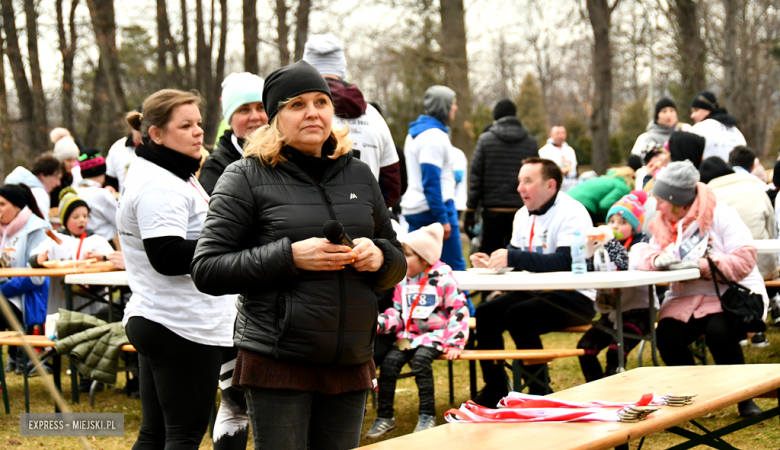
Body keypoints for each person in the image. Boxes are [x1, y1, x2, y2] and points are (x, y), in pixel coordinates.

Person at [190, 60, 406, 450]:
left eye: (321, 102)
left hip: (351, 359)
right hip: (279, 360)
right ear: (275, 118)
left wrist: (381, 259)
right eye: (297, 104)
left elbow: (396, 261)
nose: (312, 112)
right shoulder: (245, 176)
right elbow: (207, 269)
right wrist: (289, 257)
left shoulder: (359, 175)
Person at [117, 89, 237, 449]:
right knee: (184, 434)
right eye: (185, 125)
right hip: (182, 326)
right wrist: (235, 245)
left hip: (164, 317)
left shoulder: (170, 170)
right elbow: (166, 255)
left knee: (155, 434)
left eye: (198, 123)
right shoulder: (160, 183)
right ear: (156, 134)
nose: (199, 132)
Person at [638, 160, 767, 418]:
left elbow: (744, 260)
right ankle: (695, 399)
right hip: (684, 297)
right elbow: (644, 253)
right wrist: (655, 259)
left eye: (662, 200)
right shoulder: (662, 222)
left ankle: (744, 398)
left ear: (679, 200)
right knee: (667, 335)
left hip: (729, 295)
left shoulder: (722, 214)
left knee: (719, 330)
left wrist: (703, 265)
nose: (657, 205)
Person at [469, 157, 595, 406]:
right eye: (519, 181)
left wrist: (513, 256)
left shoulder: (573, 212)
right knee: (486, 313)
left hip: (576, 295)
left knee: (519, 315)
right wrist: (495, 261)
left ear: (550, 185)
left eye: (527, 181)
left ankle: (539, 390)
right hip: (536, 291)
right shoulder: (521, 215)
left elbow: (565, 261)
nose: (519, 188)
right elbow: (518, 258)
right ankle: (495, 387)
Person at [367, 223, 469, 438]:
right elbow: (397, 311)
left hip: (435, 336)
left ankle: (427, 415)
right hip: (408, 337)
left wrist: (455, 342)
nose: (403, 260)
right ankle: (385, 416)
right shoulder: (403, 280)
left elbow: (458, 311)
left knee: (421, 363)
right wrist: (380, 323)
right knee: (390, 363)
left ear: (425, 258)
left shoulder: (443, 280)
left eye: (409, 255)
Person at [303, 33, 401, 208]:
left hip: (313, 224)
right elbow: (392, 184)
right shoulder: (375, 116)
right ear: (341, 67)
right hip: (369, 222)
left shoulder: (299, 115)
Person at [577, 191, 655, 382]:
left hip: (638, 313)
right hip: (610, 314)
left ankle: (613, 389)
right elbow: (588, 273)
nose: (615, 226)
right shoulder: (603, 248)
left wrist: (610, 241)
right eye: (611, 221)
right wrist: (588, 252)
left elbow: (625, 265)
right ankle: (595, 387)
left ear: (635, 227)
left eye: (622, 223)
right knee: (585, 347)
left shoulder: (640, 246)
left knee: (615, 351)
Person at [401, 85, 466, 271]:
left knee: (417, 271)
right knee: (455, 271)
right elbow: (431, 182)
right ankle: (461, 302)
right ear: (443, 106)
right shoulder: (434, 137)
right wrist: (443, 219)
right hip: (435, 210)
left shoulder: (416, 133)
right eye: (453, 103)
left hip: (417, 209)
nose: (456, 108)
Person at [465, 98, 539, 255]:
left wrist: (470, 210)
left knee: (491, 259)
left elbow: (476, 178)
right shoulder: (530, 143)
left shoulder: (485, 140)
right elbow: (537, 176)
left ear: (495, 118)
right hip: (522, 210)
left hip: (493, 211)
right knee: (520, 258)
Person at [705, 148, 777, 281]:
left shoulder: (708, 195)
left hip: (722, 271)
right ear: (753, 165)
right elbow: (771, 228)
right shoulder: (758, 187)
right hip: (762, 266)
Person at [0, 184, 50, 374]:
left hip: (27, 298)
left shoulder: (36, 228)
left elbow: (35, 276)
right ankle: (15, 357)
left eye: (2, 204)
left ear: (17, 206)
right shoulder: (2, 229)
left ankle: (21, 358)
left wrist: (2, 291)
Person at [199, 72, 267, 196]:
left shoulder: (288, 155)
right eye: (244, 109)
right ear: (230, 120)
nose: (255, 116)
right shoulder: (216, 168)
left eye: (261, 107)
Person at [73, 149, 118, 242]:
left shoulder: (74, 192)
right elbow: (119, 219)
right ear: (102, 172)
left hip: (81, 244)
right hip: (104, 244)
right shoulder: (102, 194)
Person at [689, 90, 746, 163]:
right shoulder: (736, 131)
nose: (692, 116)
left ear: (708, 109)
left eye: (696, 110)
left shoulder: (698, 129)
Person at [5, 153, 63, 221]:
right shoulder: (40, 194)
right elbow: (42, 225)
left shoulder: (15, 186)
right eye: (56, 178)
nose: (58, 183)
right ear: (43, 175)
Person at [567, 167, 635, 224]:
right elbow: (605, 205)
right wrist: (610, 220)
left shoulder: (606, 178)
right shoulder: (623, 186)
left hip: (569, 199)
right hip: (584, 206)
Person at [104, 106, 142, 194]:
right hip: (124, 204)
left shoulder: (161, 147)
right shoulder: (118, 148)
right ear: (131, 126)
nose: (140, 131)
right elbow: (110, 180)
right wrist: (109, 188)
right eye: (137, 126)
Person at [538, 125, 577, 193]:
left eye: (562, 133)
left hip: (571, 186)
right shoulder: (544, 151)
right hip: (555, 187)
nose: (560, 136)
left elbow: (574, 166)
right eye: (557, 133)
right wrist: (559, 171)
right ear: (551, 135)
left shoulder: (570, 150)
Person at [50, 136, 82, 205]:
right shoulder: (51, 178)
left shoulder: (71, 177)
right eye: (68, 160)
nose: (72, 164)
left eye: (74, 160)